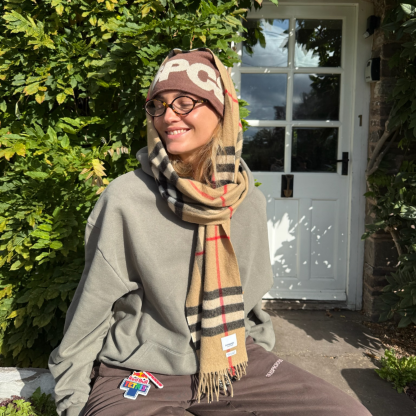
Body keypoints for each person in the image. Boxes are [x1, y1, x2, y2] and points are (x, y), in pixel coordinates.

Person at [49, 48, 372, 416]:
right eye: (158, 105)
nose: (168, 116)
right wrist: (73, 398)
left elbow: (250, 298)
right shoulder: (126, 198)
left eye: (185, 102)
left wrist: (254, 346)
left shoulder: (247, 202)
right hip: (142, 369)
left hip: (233, 363)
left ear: (221, 111)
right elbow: (92, 306)